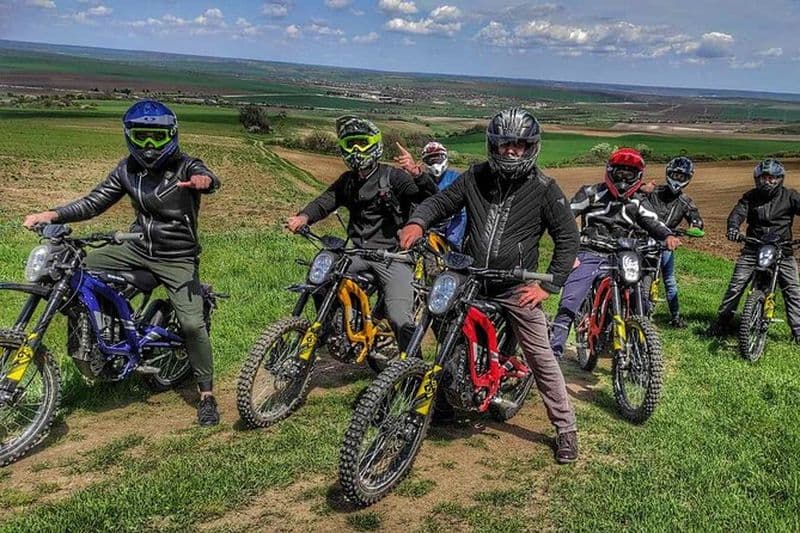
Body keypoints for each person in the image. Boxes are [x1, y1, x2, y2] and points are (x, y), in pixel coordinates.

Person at [398, 108, 581, 464]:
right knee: (441, 319)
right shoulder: (475, 177)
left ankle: (566, 429)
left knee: (541, 356)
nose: (512, 151)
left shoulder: (545, 188)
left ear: (532, 148)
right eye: (504, 145)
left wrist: (549, 286)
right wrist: (418, 222)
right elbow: (441, 201)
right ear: (492, 147)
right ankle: (447, 397)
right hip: (470, 276)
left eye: (520, 145)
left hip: (516, 285)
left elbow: (568, 238)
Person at [23, 100, 223, 426]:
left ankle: (206, 396)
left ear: (171, 136)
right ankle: (106, 336)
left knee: (191, 325)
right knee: (76, 267)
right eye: (141, 136)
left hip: (177, 257)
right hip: (137, 247)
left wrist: (205, 181)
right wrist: (52, 214)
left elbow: (208, 178)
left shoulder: (186, 166)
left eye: (156, 137)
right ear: (129, 135)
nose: (148, 145)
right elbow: (94, 202)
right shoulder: (127, 169)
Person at [286, 116, 437, 352]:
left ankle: (412, 370)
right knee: (320, 274)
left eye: (362, 142)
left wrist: (418, 174)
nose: (356, 149)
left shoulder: (394, 177)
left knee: (399, 318)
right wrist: (303, 217)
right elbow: (326, 201)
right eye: (351, 143)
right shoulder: (348, 181)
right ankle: (327, 325)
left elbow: (430, 200)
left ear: (374, 144)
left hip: (392, 257)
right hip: (355, 253)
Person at [549, 148, 680, 358]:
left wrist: (667, 236)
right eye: (620, 171)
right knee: (570, 301)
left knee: (642, 300)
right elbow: (566, 216)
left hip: (622, 256)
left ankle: (637, 342)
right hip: (590, 251)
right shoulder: (591, 193)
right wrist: (567, 243)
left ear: (638, 176)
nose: (624, 177)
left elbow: (652, 222)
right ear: (610, 170)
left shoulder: (638, 201)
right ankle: (552, 352)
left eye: (630, 173)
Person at [709, 158, 800, 342]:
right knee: (736, 285)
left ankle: (798, 331)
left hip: (782, 250)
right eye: (763, 178)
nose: (767, 182)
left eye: (772, 178)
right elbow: (737, 213)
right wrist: (733, 228)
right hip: (753, 247)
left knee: (793, 291)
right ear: (757, 179)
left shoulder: (790, 196)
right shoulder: (750, 197)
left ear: (780, 179)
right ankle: (722, 322)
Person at [641, 156, 704, 327]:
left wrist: (695, 226)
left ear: (688, 179)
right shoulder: (653, 192)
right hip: (644, 238)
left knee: (669, 279)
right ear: (668, 173)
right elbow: (635, 198)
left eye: (682, 177)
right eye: (675, 175)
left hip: (666, 242)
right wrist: (641, 188)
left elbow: (696, 218)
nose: (678, 179)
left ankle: (675, 316)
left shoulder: (686, 201)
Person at [394, 141, 466, 249]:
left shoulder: (456, 178)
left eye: (437, 158)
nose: (435, 162)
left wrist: (453, 240)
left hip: (450, 229)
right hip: (425, 230)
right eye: (431, 159)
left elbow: (462, 214)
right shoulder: (420, 180)